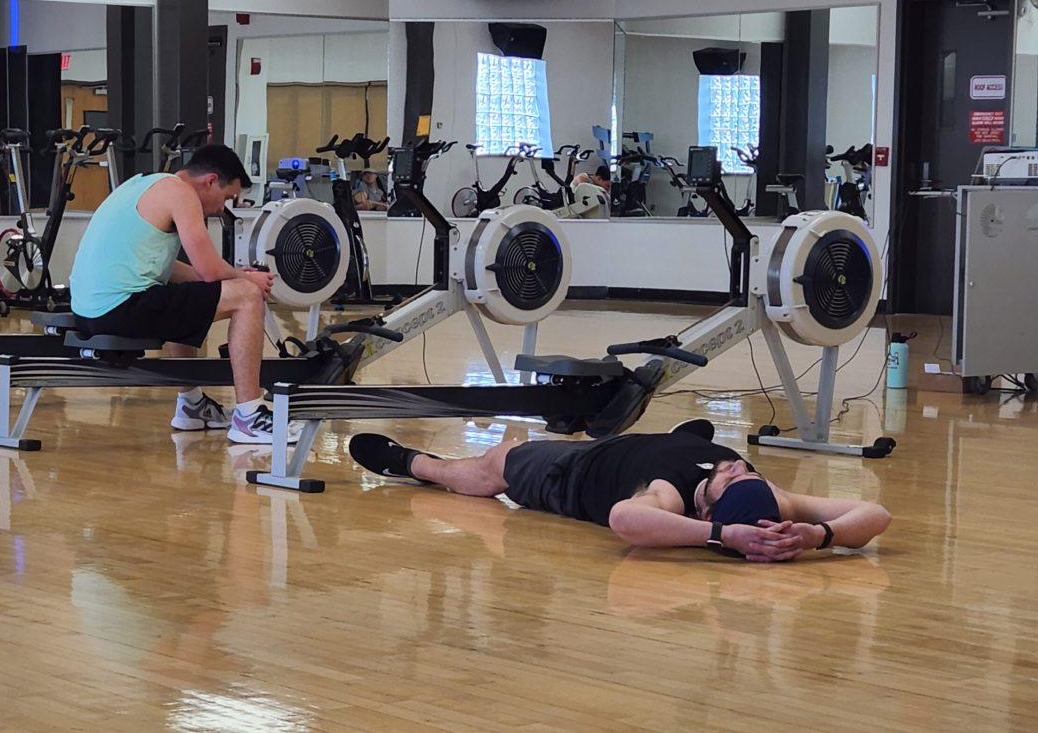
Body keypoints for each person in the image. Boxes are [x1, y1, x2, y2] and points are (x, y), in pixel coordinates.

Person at [347, 420, 891, 562]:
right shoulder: (770, 495)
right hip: (642, 446)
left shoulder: (670, 498)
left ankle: (416, 463)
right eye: (740, 469)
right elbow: (876, 513)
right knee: (690, 438)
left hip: (572, 471)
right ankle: (685, 438)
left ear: (708, 502)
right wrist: (822, 535)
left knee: (495, 466)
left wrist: (721, 536)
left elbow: (625, 523)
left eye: (731, 477)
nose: (735, 465)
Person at [69, 143, 298, 445]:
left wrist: (238, 275)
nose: (221, 208)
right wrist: (248, 279)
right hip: (119, 310)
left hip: (90, 311)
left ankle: (191, 405)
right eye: (227, 198)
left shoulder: (144, 184)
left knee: (185, 293)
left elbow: (174, 270)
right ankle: (249, 416)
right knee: (246, 296)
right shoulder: (181, 193)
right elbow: (210, 272)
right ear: (211, 180)